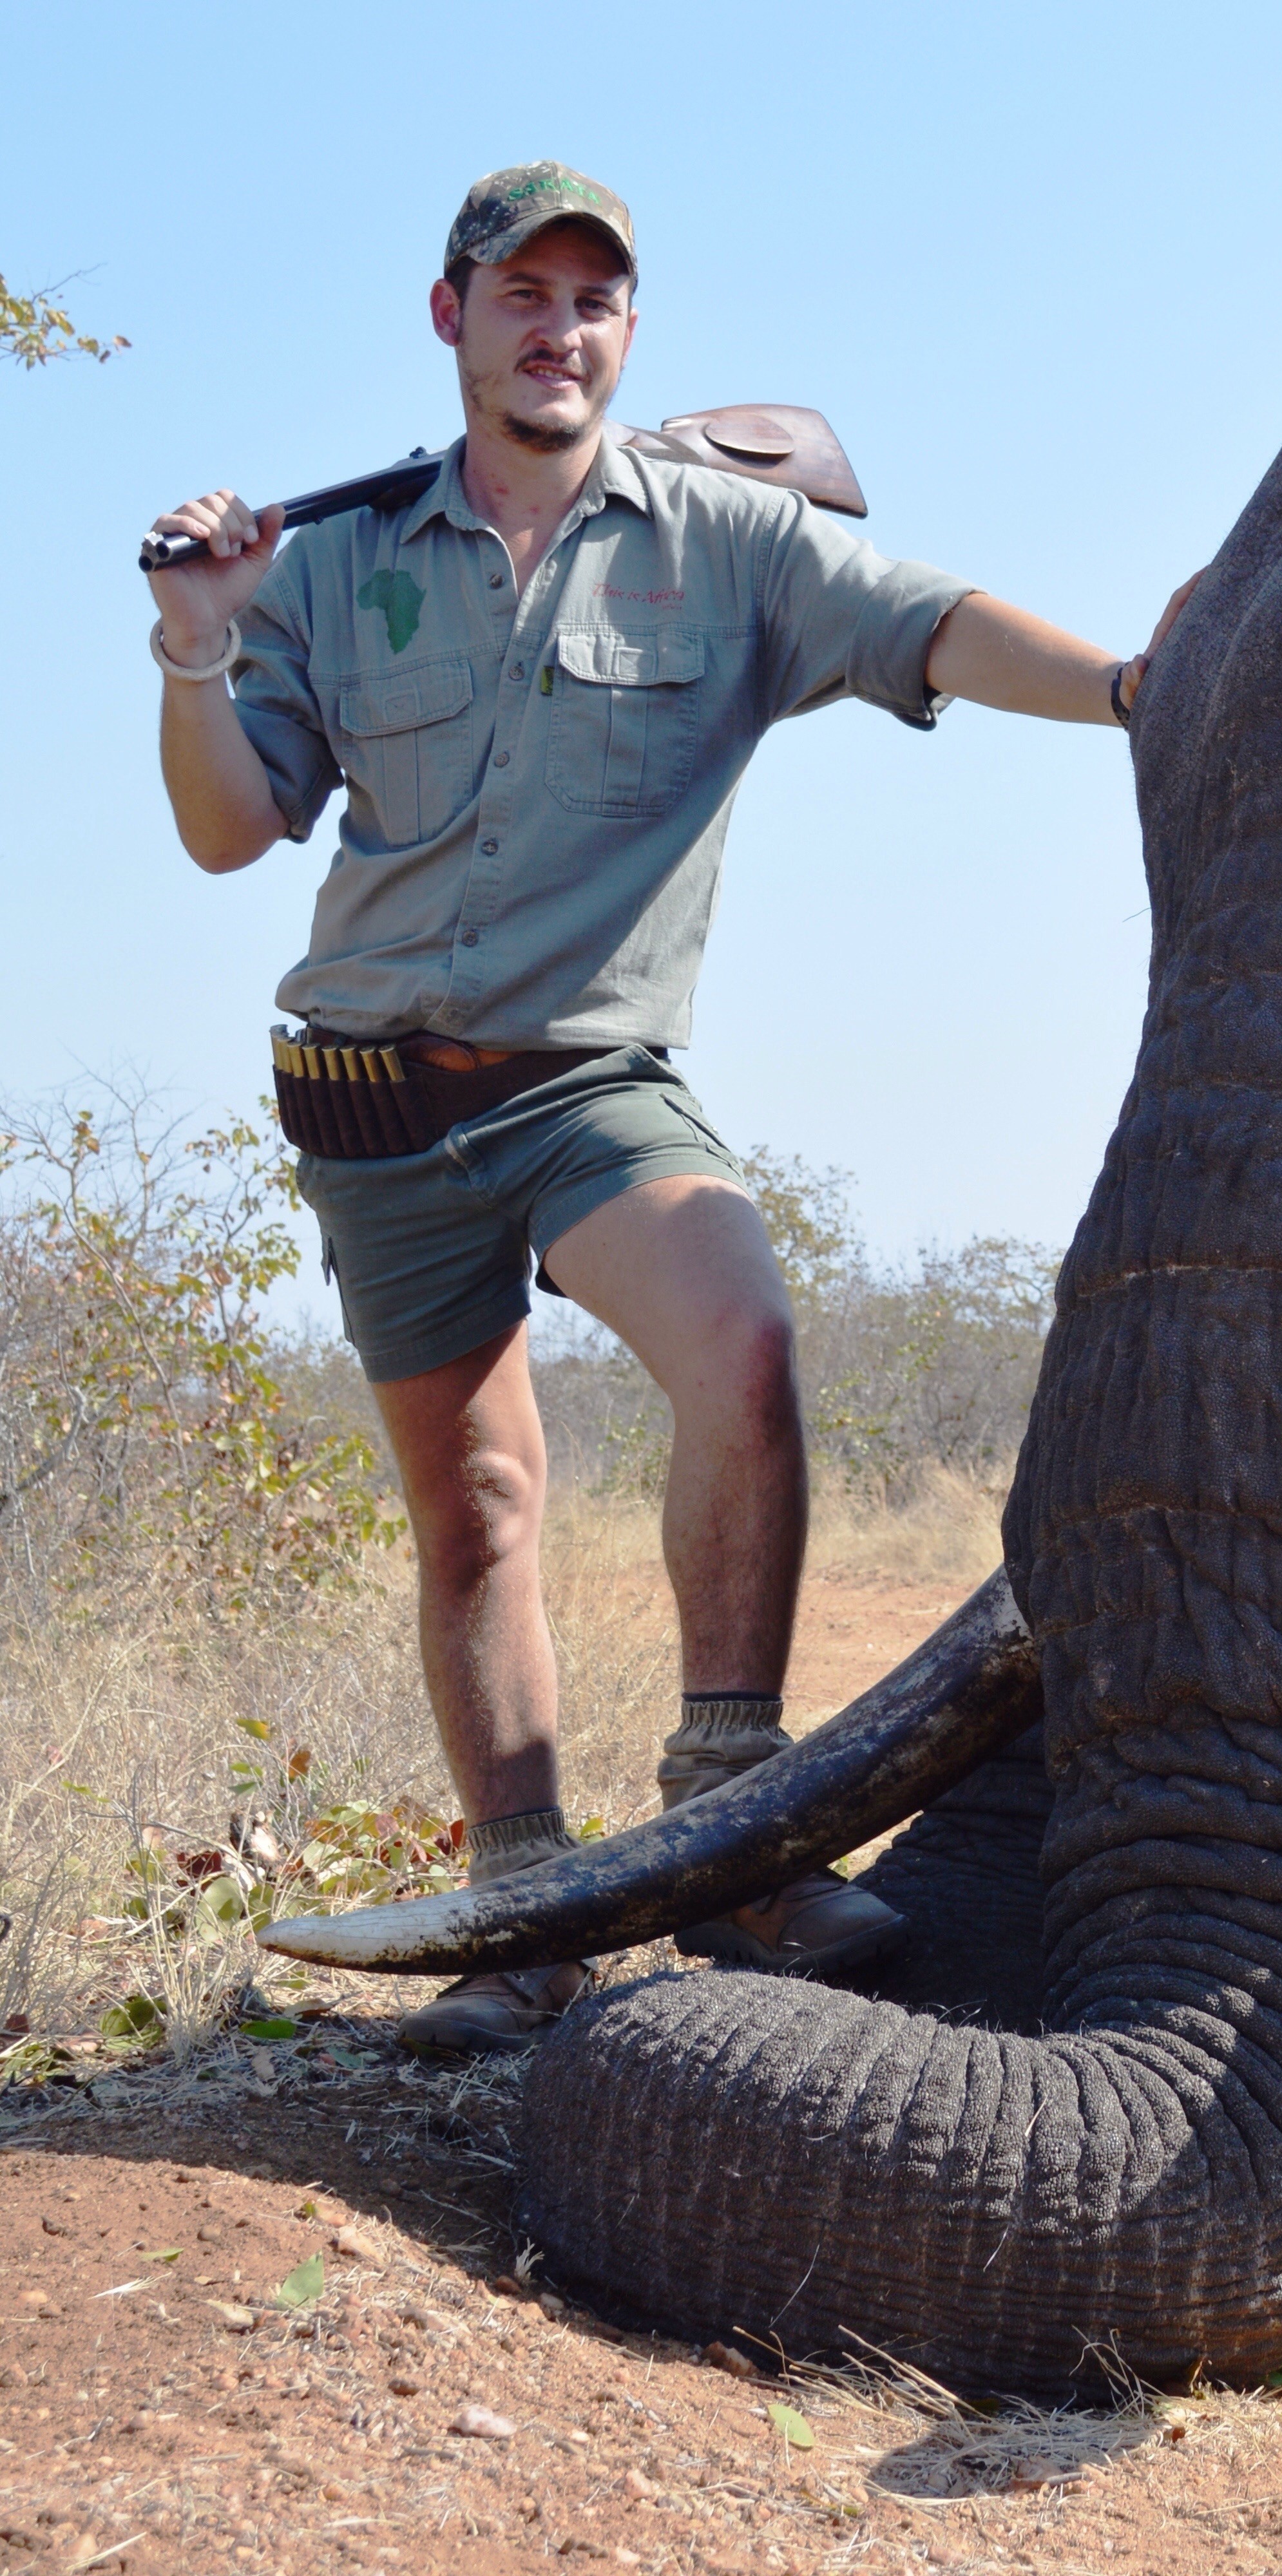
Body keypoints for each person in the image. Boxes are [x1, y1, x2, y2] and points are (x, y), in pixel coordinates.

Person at [145, 161, 1184, 2056]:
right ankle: (529, 1909)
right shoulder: (324, 562)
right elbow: (226, 833)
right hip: (370, 1090)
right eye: (519, 293)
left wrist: (1140, 683)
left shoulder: (730, 543)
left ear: (630, 330)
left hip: (590, 1080)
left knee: (745, 1346)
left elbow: (938, 622)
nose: (558, 327)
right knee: (474, 1506)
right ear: (448, 316)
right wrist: (199, 644)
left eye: (593, 300)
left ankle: (730, 1820)